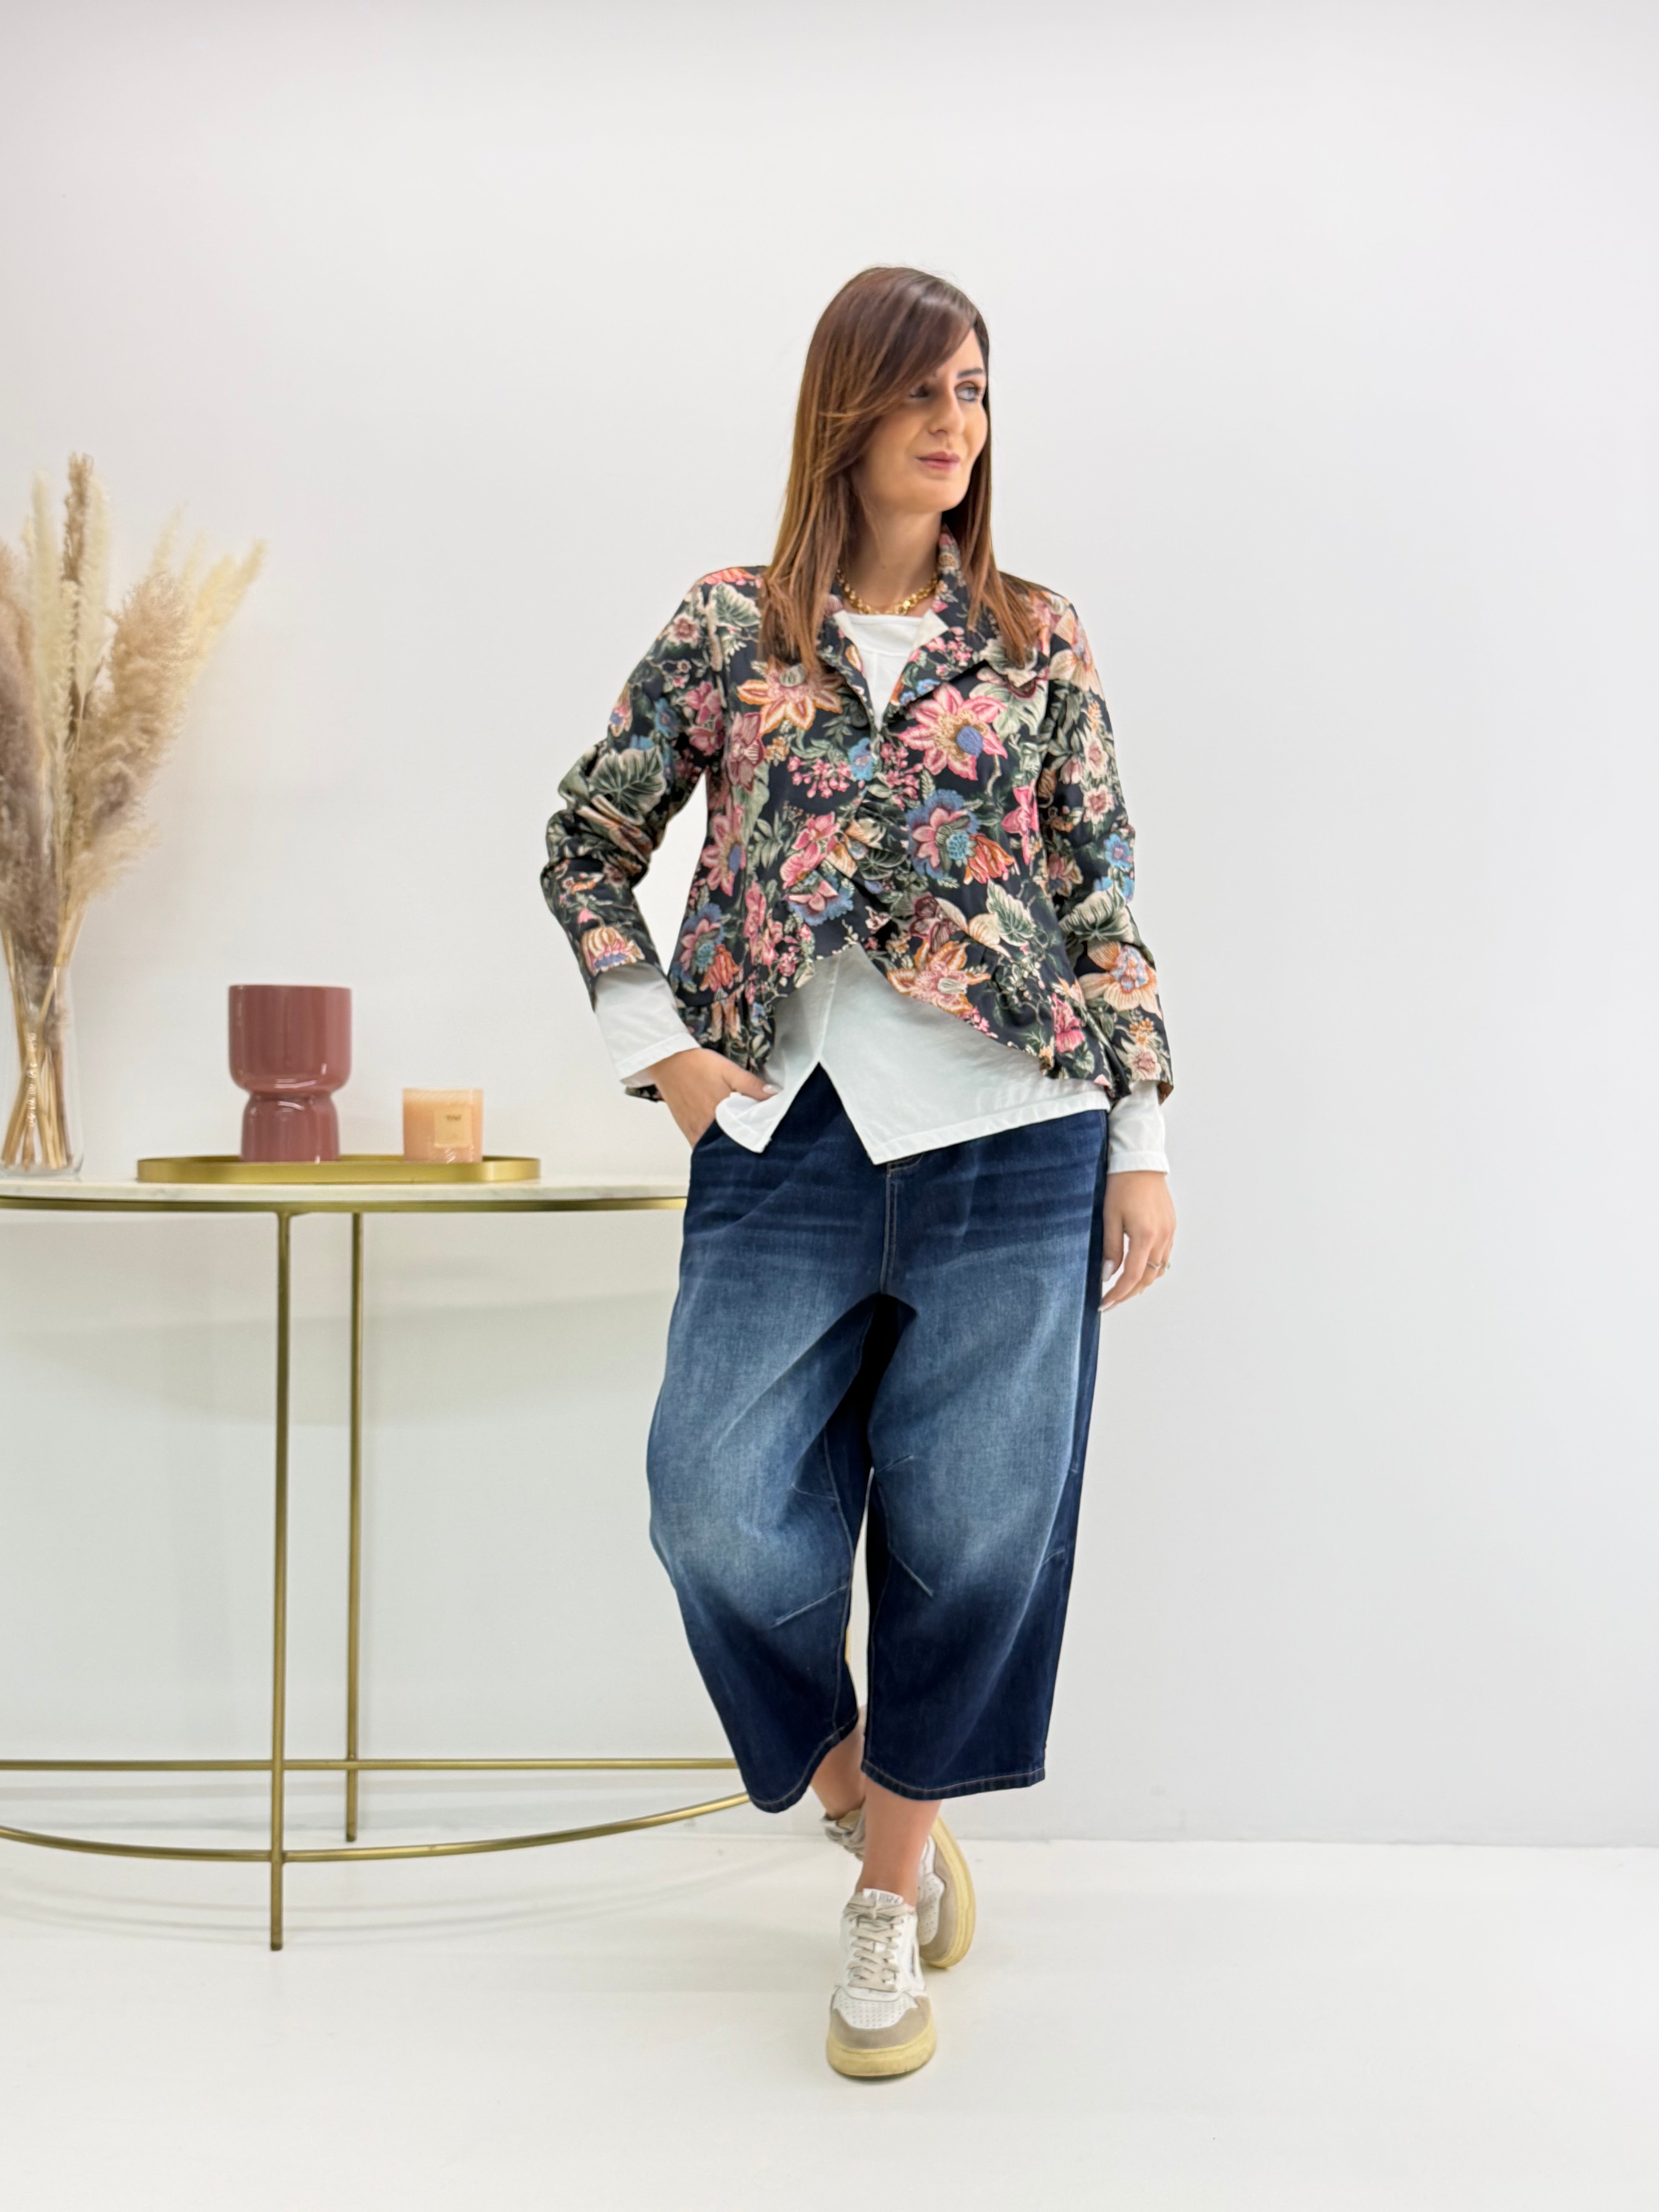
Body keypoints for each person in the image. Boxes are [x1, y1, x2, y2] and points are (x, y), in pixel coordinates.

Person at [541, 265, 1176, 2079]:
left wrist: (1142, 1139)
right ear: (846, 408)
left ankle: (887, 1900)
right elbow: (588, 840)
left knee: (976, 1532)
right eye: (918, 389)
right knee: (711, 1506)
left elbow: (1103, 894)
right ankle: (853, 1788)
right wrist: (664, 1054)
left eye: (973, 390)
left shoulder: (1037, 637)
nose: (952, 423)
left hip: (1018, 1134)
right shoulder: (730, 627)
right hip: (786, 1134)